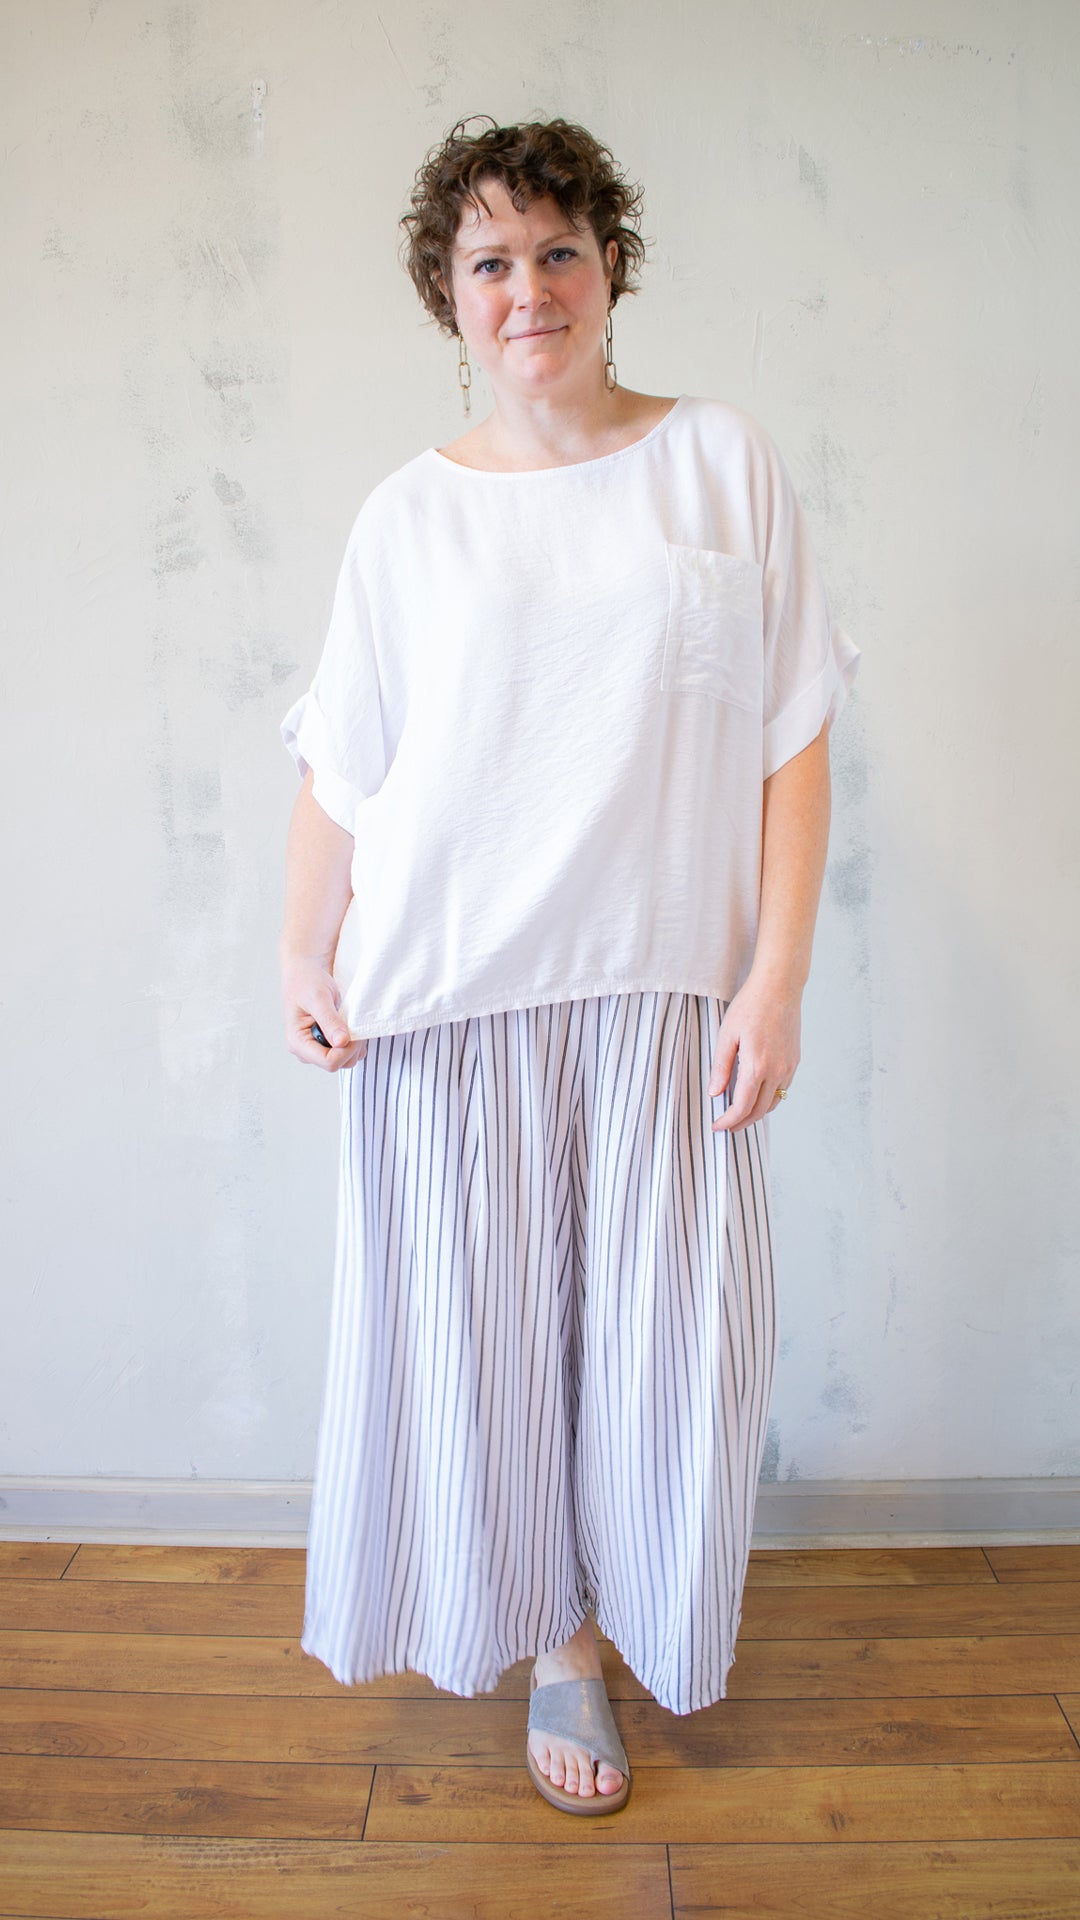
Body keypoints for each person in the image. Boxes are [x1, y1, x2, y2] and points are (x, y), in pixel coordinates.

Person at [280, 114, 859, 1817]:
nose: (527, 287)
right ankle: (557, 1647)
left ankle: (632, 1612)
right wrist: (301, 949)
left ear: (610, 266)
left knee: (666, 1356)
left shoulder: (721, 463)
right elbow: (343, 768)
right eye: (489, 261)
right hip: (447, 1000)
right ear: (446, 296)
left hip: (662, 993)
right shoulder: (407, 518)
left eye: (557, 250)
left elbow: (794, 739)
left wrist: (776, 980)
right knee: (490, 1363)